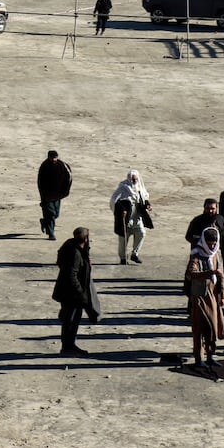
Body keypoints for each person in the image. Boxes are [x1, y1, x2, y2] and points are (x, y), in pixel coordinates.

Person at [53, 227, 99, 357]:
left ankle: (69, 345)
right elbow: (72, 275)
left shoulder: (71, 245)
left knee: (71, 319)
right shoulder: (75, 254)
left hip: (67, 291)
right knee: (71, 320)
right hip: (71, 294)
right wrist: (80, 292)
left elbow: (60, 258)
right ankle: (67, 347)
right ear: (85, 239)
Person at [186, 227, 224, 367]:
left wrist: (223, 295)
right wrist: (209, 273)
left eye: (214, 243)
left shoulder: (216, 255)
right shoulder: (196, 255)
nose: (212, 246)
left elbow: (221, 277)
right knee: (199, 327)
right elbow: (192, 274)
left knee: (212, 327)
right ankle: (199, 358)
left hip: (214, 296)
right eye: (209, 243)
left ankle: (210, 355)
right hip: (200, 297)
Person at [109, 170, 150, 265]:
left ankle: (134, 254)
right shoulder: (123, 188)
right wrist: (122, 210)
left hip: (136, 219)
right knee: (123, 240)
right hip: (126, 220)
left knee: (141, 233)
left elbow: (144, 199)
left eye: (136, 179)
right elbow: (114, 201)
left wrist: (147, 205)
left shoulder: (140, 188)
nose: (135, 181)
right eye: (133, 179)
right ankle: (123, 259)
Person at [36, 149, 72, 241]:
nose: (54, 160)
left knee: (56, 214)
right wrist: (42, 195)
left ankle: (44, 222)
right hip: (47, 196)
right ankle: (51, 234)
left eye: (55, 158)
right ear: (48, 157)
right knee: (51, 214)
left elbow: (69, 178)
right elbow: (40, 182)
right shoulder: (44, 166)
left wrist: (66, 191)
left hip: (58, 195)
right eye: (52, 158)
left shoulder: (62, 165)